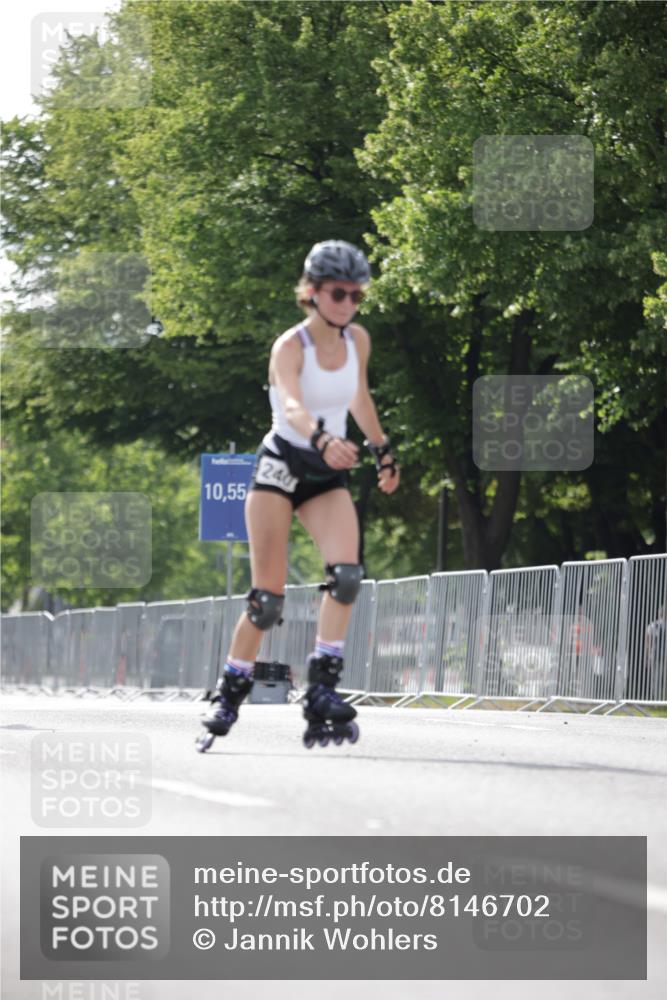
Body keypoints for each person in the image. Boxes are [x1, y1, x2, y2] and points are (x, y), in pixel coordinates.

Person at [196, 240, 400, 752]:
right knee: (267, 601)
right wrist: (324, 439)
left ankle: (321, 687)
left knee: (347, 576)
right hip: (283, 465)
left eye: (357, 295)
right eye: (339, 293)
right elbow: (290, 405)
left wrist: (382, 449)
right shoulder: (291, 347)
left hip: (325, 472)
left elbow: (358, 395)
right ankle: (231, 689)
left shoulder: (358, 341)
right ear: (312, 293)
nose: (349, 303)